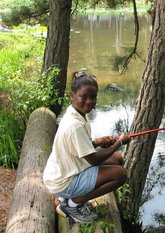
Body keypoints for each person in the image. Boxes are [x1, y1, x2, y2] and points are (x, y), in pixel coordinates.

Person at [43, 71, 130, 223]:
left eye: (93, 97)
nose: (89, 101)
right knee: (120, 174)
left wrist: (96, 142)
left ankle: (74, 198)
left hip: (66, 170)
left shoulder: (76, 113)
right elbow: (94, 160)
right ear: (72, 95)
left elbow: (77, 145)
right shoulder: (74, 125)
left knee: (117, 159)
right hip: (63, 181)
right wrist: (119, 143)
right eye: (84, 97)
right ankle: (72, 205)